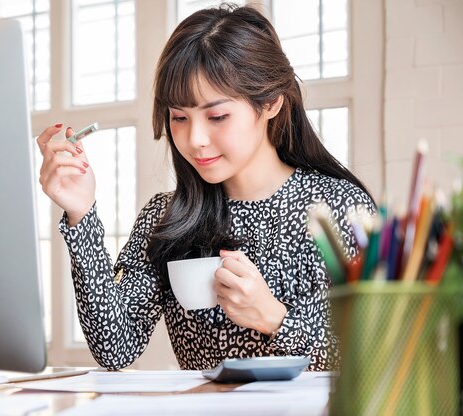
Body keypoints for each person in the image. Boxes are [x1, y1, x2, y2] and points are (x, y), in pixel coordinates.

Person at [37, 4, 375, 371]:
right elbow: (115, 347)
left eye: (216, 116)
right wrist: (80, 213)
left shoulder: (339, 209)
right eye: (179, 117)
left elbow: (374, 354)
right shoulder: (166, 217)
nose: (195, 139)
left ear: (271, 102)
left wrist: (274, 318)